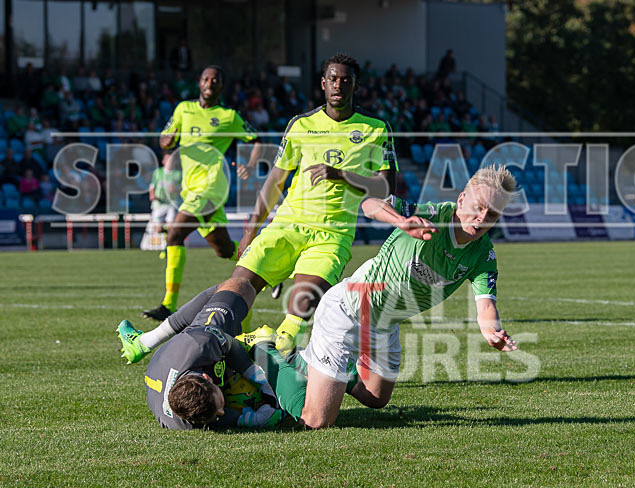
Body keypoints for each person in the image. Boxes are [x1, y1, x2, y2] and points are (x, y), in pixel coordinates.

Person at [299, 164, 518, 428]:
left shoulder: (483, 255)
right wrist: (402, 223)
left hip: (384, 325)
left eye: (492, 213)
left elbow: (486, 306)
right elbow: (370, 204)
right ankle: (283, 359)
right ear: (461, 199)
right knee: (317, 422)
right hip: (349, 310)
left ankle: (332, 373)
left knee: (377, 398)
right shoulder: (433, 215)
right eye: (479, 206)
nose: (482, 217)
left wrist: (492, 332)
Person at [232, 53, 397, 356]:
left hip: (332, 235)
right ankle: (234, 346)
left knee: (301, 305)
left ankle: (276, 346)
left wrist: (342, 175)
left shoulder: (375, 128)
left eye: (345, 80)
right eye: (333, 79)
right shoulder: (301, 125)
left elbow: (387, 186)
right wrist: (250, 231)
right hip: (287, 226)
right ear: (323, 83)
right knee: (236, 288)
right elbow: (275, 182)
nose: (338, 85)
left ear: (355, 86)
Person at [141, 65, 265, 321]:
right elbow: (166, 138)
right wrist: (166, 140)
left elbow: (256, 140)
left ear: (221, 85)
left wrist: (250, 165)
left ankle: (167, 304)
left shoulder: (229, 116)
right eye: (206, 78)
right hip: (191, 188)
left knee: (174, 233)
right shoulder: (183, 109)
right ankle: (269, 272)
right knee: (224, 249)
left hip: (212, 185)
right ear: (199, 83)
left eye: (216, 79)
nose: (210, 82)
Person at [118, 277, 306, 429]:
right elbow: (219, 419)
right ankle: (295, 359)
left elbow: (230, 344)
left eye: (220, 405)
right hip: (170, 365)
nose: (222, 412)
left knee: (239, 285)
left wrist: (260, 379)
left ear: (207, 378)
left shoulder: (201, 344)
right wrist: (251, 420)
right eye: (219, 409)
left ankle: (145, 342)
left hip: (194, 340)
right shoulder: (186, 420)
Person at [140, 151, 181, 251]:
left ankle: (167, 247)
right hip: (159, 204)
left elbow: (182, 189)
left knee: (171, 227)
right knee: (158, 229)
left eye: (171, 159)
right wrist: (152, 195)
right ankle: (166, 243)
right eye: (168, 159)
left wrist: (175, 189)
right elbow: (152, 187)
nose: (170, 161)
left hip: (172, 204)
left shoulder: (178, 174)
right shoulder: (158, 172)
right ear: (163, 161)